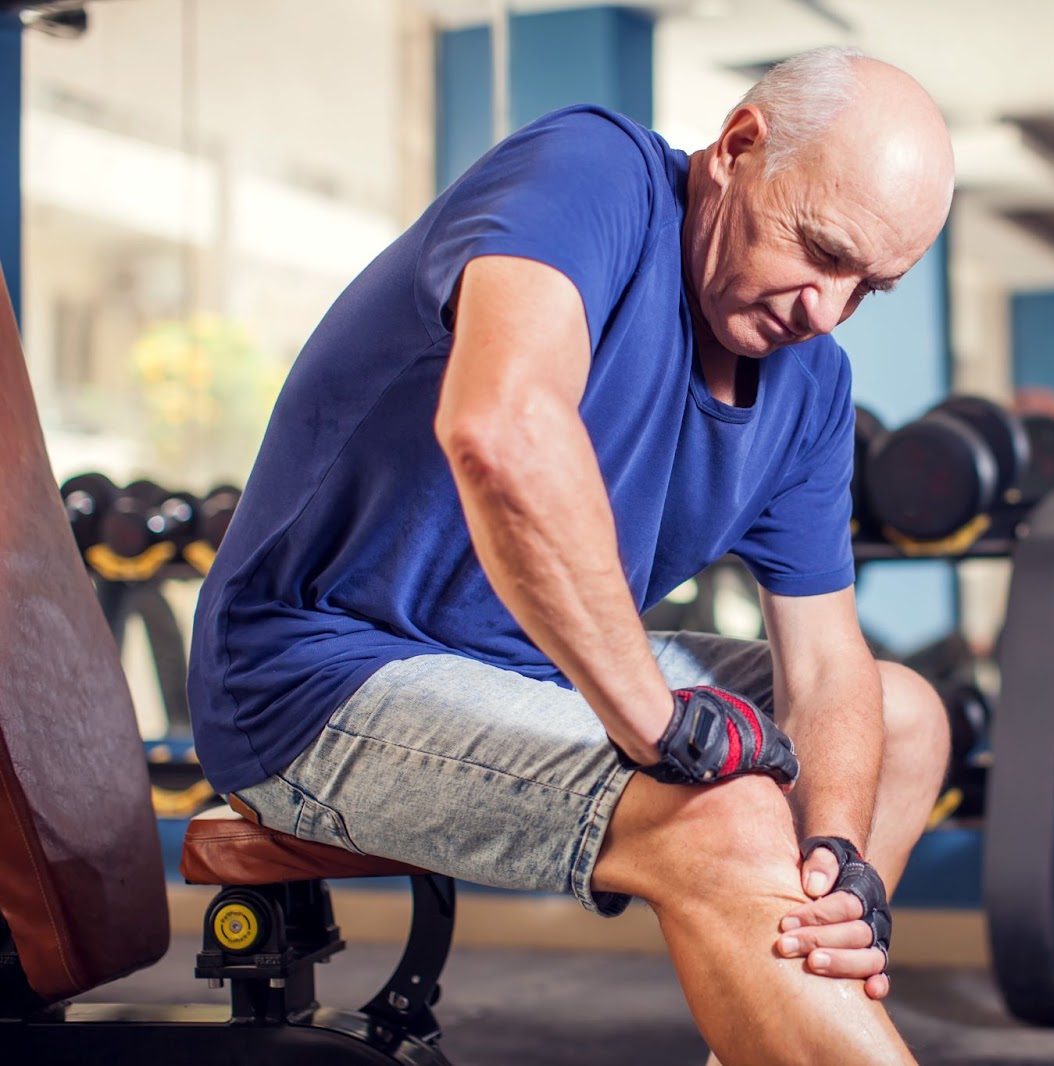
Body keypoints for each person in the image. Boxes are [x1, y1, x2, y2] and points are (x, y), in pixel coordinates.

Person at [188, 47, 954, 1065]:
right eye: (819, 249)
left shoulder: (809, 387)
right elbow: (500, 429)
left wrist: (840, 854)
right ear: (735, 148)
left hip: (527, 671)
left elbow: (826, 663)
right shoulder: (588, 178)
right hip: (314, 681)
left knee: (901, 717)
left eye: (871, 286)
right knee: (716, 811)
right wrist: (653, 722)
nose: (827, 308)